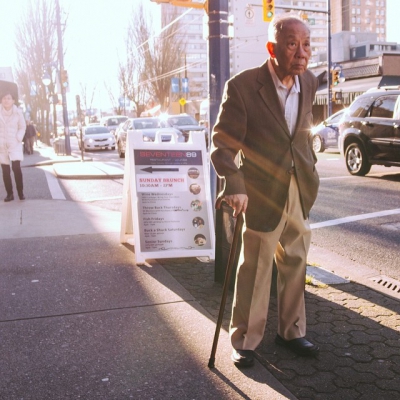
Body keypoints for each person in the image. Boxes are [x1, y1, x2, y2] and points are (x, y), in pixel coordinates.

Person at [211, 15, 320, 367]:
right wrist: (235, 184)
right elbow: (223, 144)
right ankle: (244, 339)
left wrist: (309, 166)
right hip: (260, 190)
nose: (301, 52)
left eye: (306, 44)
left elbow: (301, 134)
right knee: (256, 265)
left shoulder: (311, 81)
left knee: (296, 260)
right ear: (272, 48)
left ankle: (292, 331)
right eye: (292, 44)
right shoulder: (243, 86)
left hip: (298, 186)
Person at [0, 91, 27, 202]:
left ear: (13, 101)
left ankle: (20, 192)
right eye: (4, 98)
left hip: (14, 144)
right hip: (2, 145)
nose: (6, 100)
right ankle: (9, 194)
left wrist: (18, 138)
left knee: (16, 169)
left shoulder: (18, 113)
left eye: (8, 98)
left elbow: (22, 127)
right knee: (5, 171)